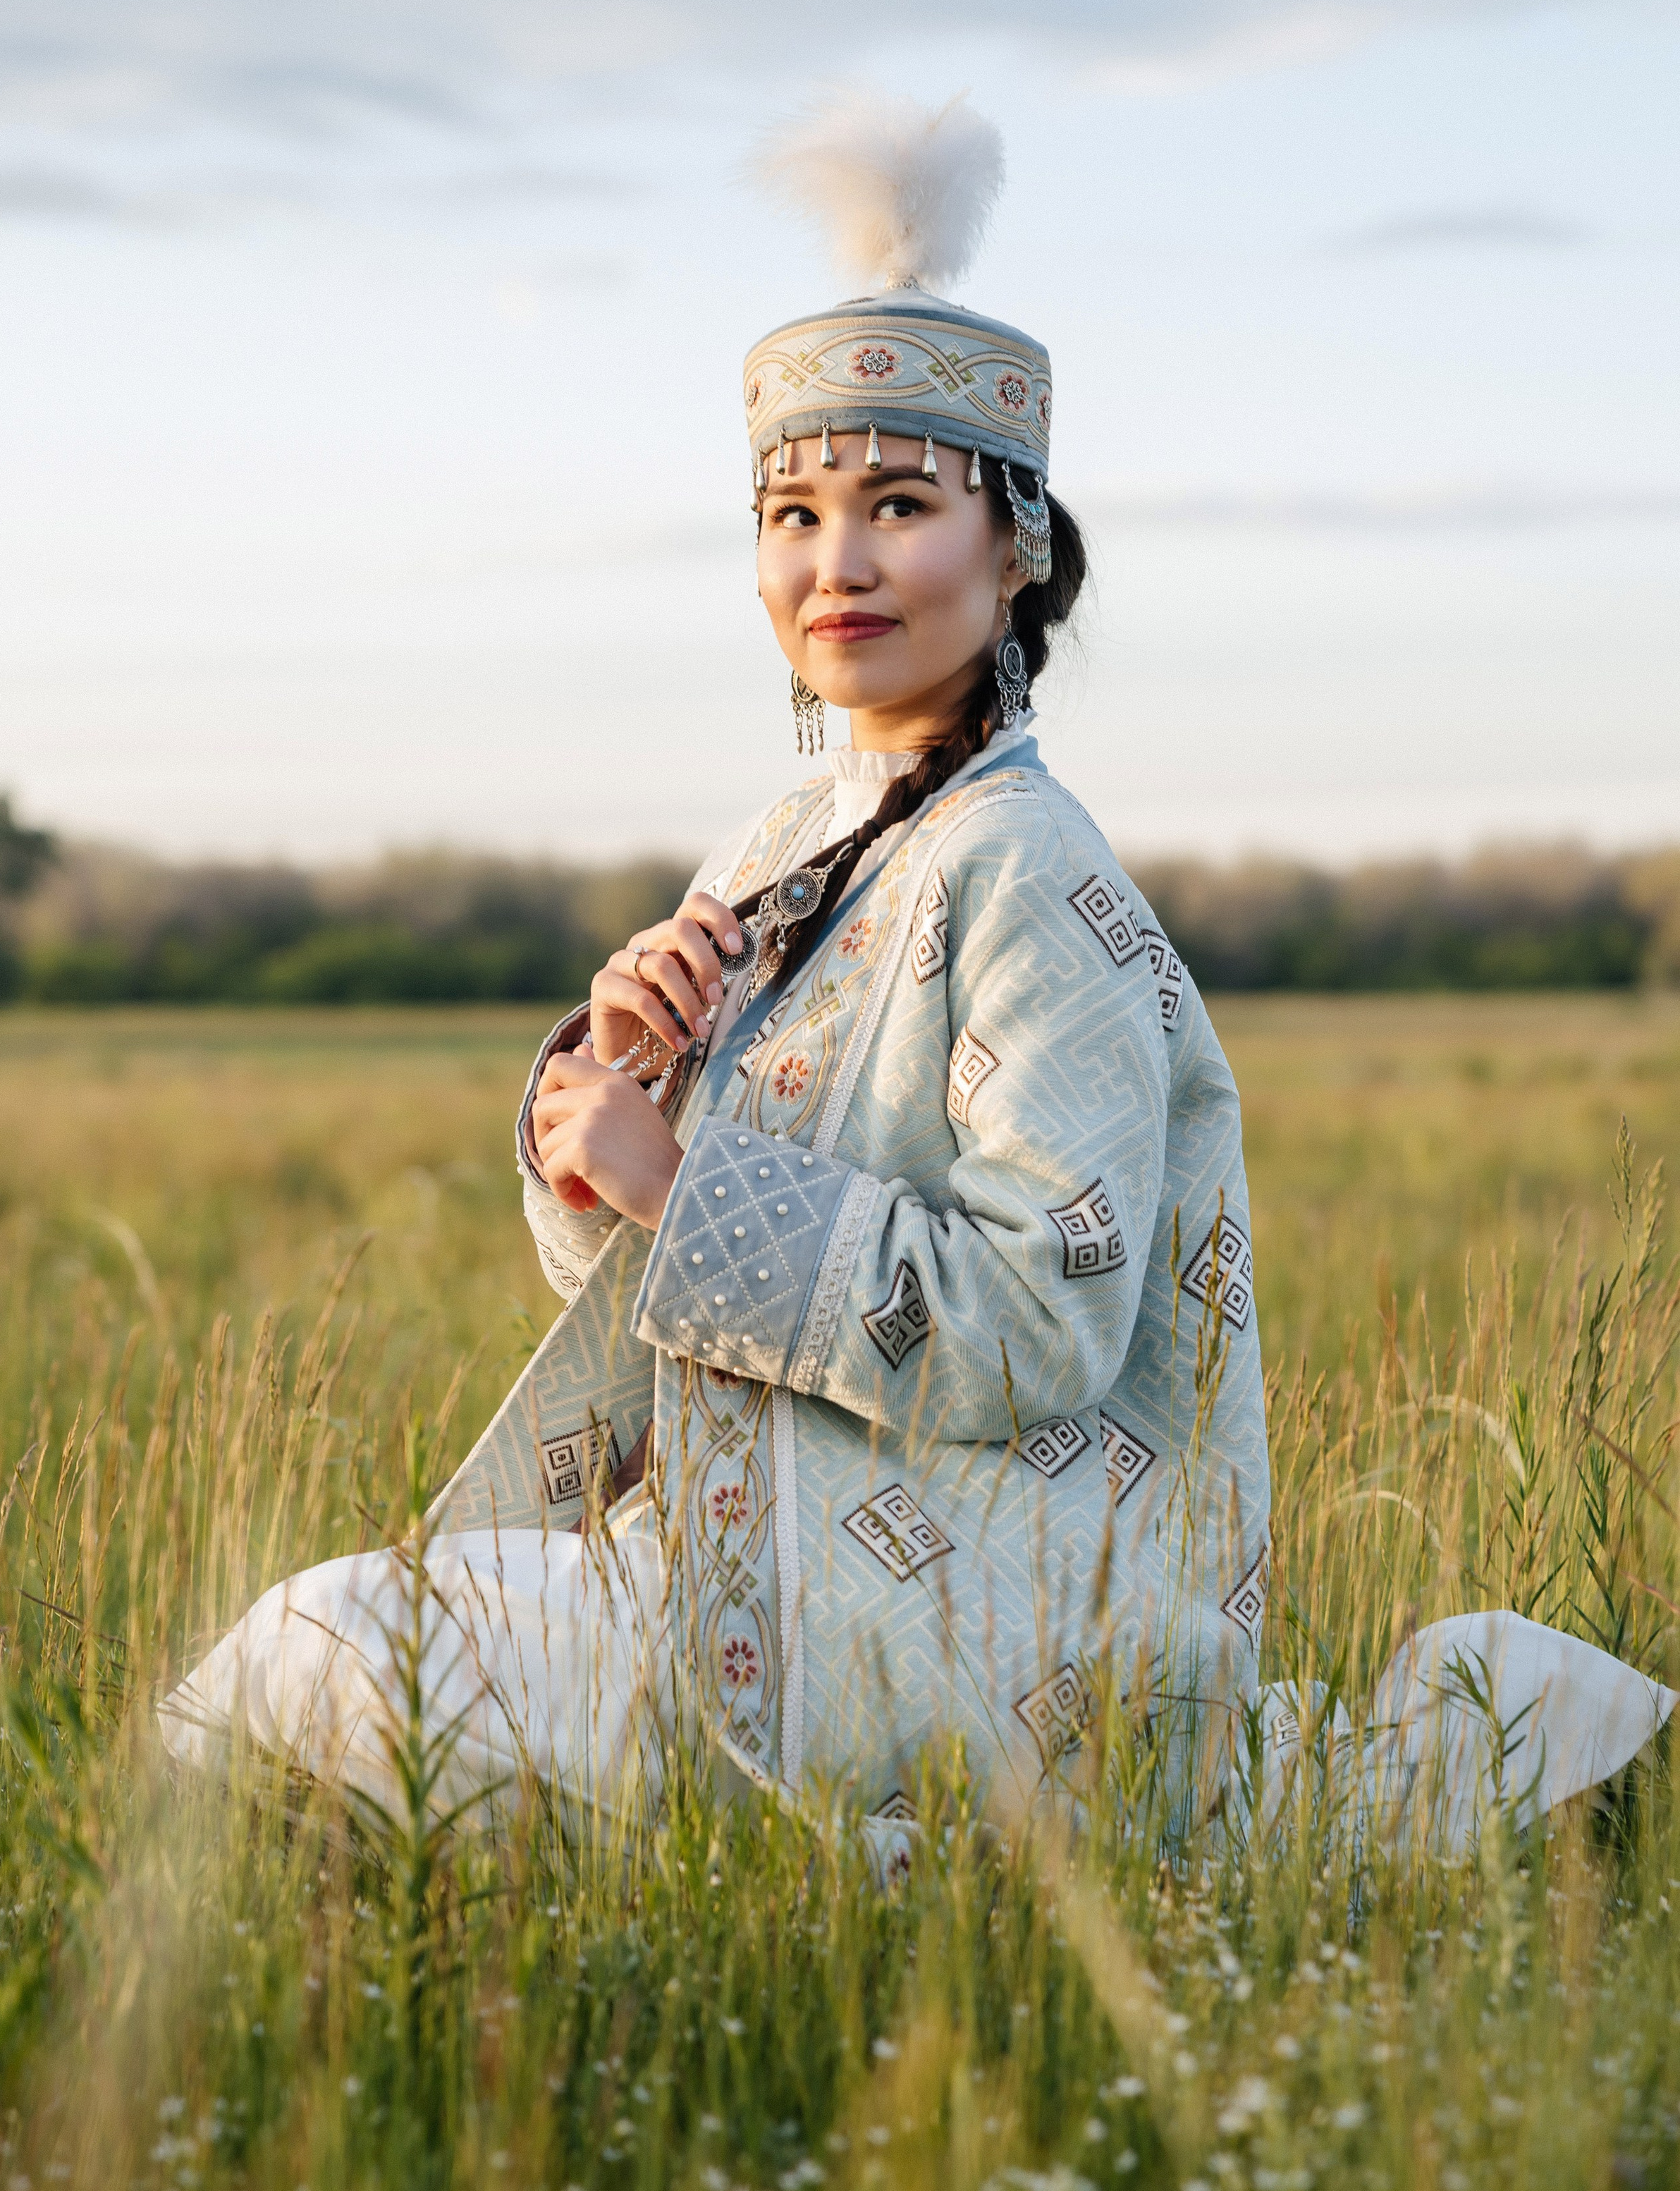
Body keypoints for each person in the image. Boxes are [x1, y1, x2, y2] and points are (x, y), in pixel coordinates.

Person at [161, 94, 1671, 1855]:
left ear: (1014, 543)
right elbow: (649, 1267)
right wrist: (610, 1118)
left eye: (897, 504)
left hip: (964, 1585)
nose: (838, 562)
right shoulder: (773, 844)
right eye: (791, 516)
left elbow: (1044, 1316)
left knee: (351, 1667)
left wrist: (686, 1184)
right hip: (748, 1533)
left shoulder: (1026, 871)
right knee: (326, 1672)